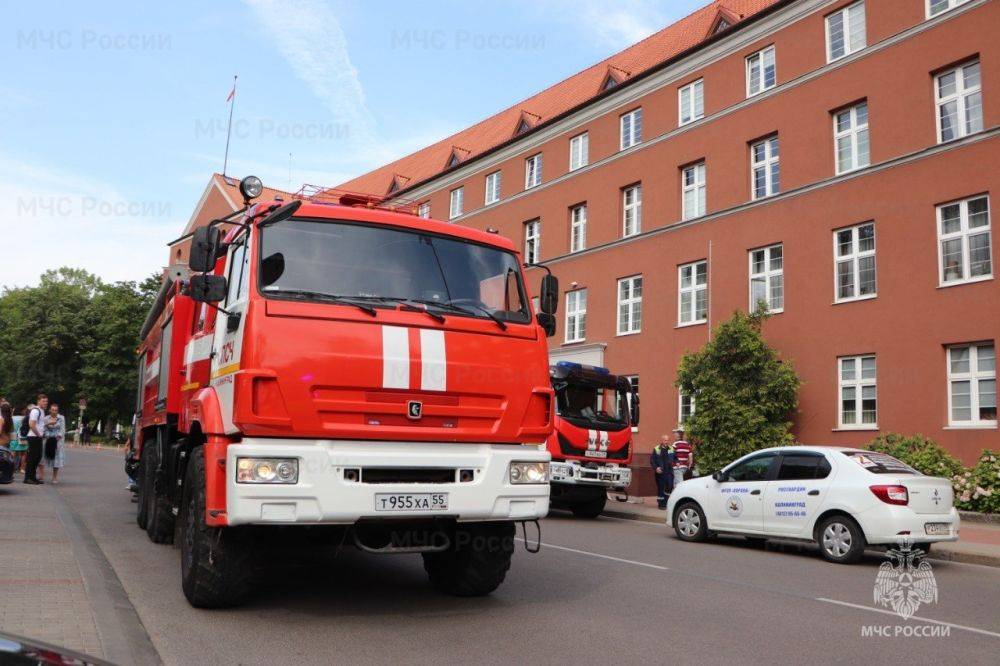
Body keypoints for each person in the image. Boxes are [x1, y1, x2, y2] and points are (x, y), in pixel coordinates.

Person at [23, 394, 48, 485]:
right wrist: (38, 435)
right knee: (32, 458)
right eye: (43, 401)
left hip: (37, 437)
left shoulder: (41, 411)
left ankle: (32, 477)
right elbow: (32, 424)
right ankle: (28, 478)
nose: (45, 403)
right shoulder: (35, 411)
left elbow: (40, 424)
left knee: (37, 457)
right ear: (38, 401)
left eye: (46, 401)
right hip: (33, 437)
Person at [38, 403, 66, 484]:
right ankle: (41, 475)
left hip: (57, 441)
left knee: (56, 459)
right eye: (53, 410)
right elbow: (44, 428)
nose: (54, 411)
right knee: (42, 457)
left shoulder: (61, 418)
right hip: (47, 439)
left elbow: (62, 429)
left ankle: (54, 477)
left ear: (58, 410)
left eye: (56, 410)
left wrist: (57, 437)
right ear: (50, 410)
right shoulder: (46, 418)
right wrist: (48, 436)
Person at [650, 434, 675, 509]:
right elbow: (652, 460)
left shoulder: (671, 448)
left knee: (670, 486)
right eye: (665, 440)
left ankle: (666, 501)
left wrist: (677, 462)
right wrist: (656, 468)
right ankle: (661, 504)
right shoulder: (657, 448)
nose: (666, 442)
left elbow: (675, 457)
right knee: (661, 487)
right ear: (662, 440)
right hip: (660, 472)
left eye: (667, 440)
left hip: (669, 471)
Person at [10, 406, 27, 474]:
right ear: (21, 411)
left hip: (13, 435)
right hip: (22, 436)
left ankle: (11, 468)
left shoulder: (12, 418)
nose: (25, 411)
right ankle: (22, 468)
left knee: (13, 452)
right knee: (23, 453)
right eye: (24, 410)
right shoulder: (24, 418)